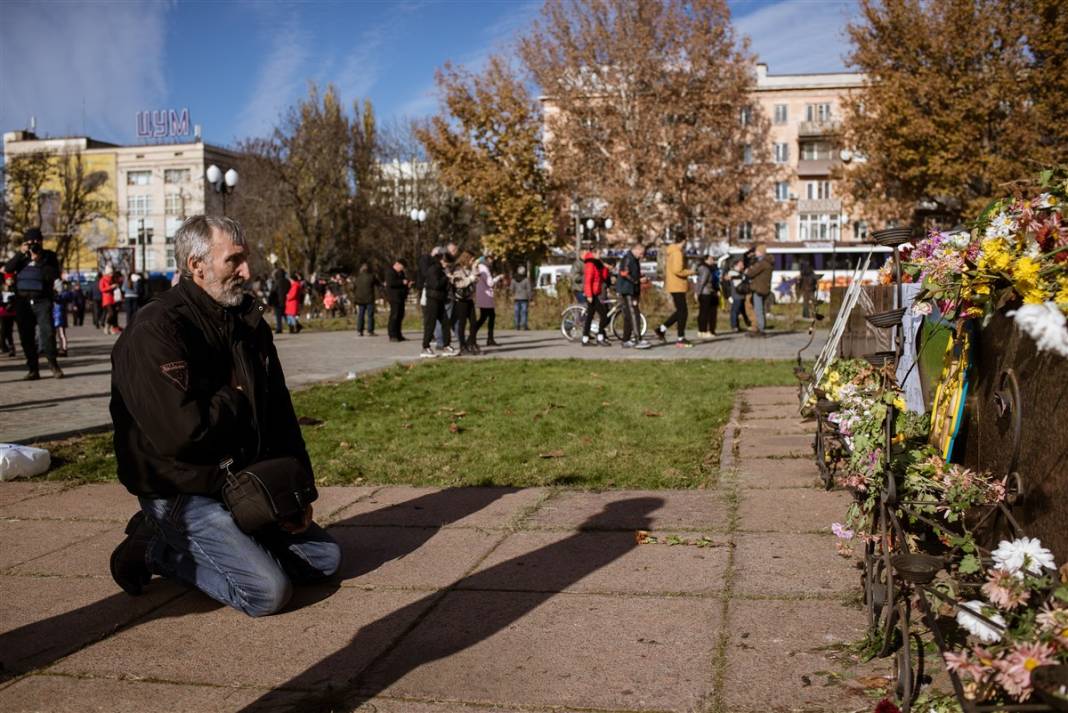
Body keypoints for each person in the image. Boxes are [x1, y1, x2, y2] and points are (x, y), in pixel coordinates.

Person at [107, 215, 340, 617]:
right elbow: (183, 434)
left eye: (245, 259)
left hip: (236, 479)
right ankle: (155, 547)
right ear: (197, 266)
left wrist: (298, 492)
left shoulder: (246, 321)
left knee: (325, 560)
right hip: (179, 485)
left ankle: (228, 543)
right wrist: (235, 396)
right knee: (267, 593)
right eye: (234, 260)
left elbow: (280, 413)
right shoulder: (157, 330)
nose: (247, 271)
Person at [3, 227, 64, 379]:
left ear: (41, 241)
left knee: (48, 333)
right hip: (22, 302)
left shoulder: (49, 256)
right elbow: (7, 269)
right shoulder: (21, 258)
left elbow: (54, 274)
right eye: (30, 241)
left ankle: (53, 364)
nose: (34, 244)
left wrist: (39, 261)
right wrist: (20, 253)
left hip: (42, 301)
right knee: (26, 336)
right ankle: (33, 369)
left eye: (36, 240)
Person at [654, 233, 695, 348]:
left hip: (674, 285)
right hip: (677, 285)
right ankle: (680, 339)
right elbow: (678, 270)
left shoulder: (671, 251)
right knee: (683, 312)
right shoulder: (677, 253)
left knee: (681, 311)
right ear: (684, 240)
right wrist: (691, 271)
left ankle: (661, 329)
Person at [421, 249, 456, 358]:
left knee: (446, 323)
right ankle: (425, 347)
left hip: (440, 299)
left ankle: (446, 345)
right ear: (442, 260)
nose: (447, 266)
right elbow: (436, 284)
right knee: (430, 324)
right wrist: (446, 278)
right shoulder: (433, 269)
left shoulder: (440, 270)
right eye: (447, 263)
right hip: (432, 300)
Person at [616, 242, 651, 349]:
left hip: (633, 290)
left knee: (628, 316)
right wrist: (637, 280)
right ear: (636, 249)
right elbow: (624, 273)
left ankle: (626, 339)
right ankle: (637, 339)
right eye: (641, 253)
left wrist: (641, 276)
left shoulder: (634, 259)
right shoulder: (628, 258)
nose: (642, 256)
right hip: (627, 290)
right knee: (634, 314)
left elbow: (633, 272)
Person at [449, 251, 480, 355]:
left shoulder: (469, 268)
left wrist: (475, 269)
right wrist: (470, 279)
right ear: (467, 258)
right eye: (472, 259)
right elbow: (459, 284)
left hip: (469, 298)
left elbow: (477, 279)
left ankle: (472, 342)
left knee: (474, 323)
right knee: (462, 324)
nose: (473, 261)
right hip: (460, 300)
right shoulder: (457, 269)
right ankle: (462, 346)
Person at [580, 248, 611, 347]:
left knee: (590, 316)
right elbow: (588, 281)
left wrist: (605, 267)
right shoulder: (590, 264)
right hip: (591, 294)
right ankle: (600, 337)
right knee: (603, 316)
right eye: (599, 253)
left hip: (595, 292)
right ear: (593, 253)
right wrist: (589, 295)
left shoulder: (597, 263)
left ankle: (585, 339)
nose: (600, 255)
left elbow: (603, 277)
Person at [473, 255, 503, 347]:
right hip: (486, 297)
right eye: (490, 259)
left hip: (482, 296)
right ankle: (474, 336)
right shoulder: (485, 269)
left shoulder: (479, 268)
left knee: (487, 317)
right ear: (486, 260)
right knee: (485, 317)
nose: (492, 262)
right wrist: (499, 277)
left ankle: (488, 338)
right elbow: (490, 283)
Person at [745, 243, 774, 336]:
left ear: (761, 252)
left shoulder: (762, 263)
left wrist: (748, 270)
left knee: (758, 309)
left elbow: (750, 273)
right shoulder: (768, 262)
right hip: (764, 288)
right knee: (760, 308)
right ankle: (760, 326)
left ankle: (760, 328)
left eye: (757, 251)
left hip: (759, 288)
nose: (755, 253)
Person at [695, 254, 720, 340]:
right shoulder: (705, 268)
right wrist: (697, 293)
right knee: (704, 313)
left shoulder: (710, 268)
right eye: (711, 259)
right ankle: (703, 330)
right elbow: (702, 282)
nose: (712, 260)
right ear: (706, 260)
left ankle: (704, 330)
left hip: (708, 292)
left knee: (706, 312)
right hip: (705, 293)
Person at [353, 263, 381, 337]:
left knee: (360, 315)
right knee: (370, 315)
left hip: (360, 299)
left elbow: (353, 287)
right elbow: (378, 283)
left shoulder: (357, 278)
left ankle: (360, 331)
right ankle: (370, 331)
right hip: (369, 299)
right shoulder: (371, 276)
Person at [385, 259, 410, 342]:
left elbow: (403, 282)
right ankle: (392, 335)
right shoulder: (390, 272)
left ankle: (399, 334)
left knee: (400, 315)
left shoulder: (401, 273)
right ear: (397, 264)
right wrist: (402, 282)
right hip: (393, 297)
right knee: (394, 316)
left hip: (401, 297)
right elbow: (391, 283)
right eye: (401, 267)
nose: (402, 269)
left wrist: (407, 285)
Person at [53, 280, 75, 357]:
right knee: (59, 334)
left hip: (59, 317)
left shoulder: (61, 295)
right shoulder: (62, 295)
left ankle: (63, 348)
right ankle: (61, 348)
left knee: (61, 334)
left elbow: (59, 299)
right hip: (57, 316)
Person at [269, 267, 290, 334]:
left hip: (278, 302)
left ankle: (279, 328)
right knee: (286, 315)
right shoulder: (287, 281)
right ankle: (291, 326)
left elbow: (273, 292)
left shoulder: (276, 282)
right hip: (286, 301)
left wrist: (270, 302)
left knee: (278, 316)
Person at [511, 266, 532, 331]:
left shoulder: (513, 280)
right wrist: (530, 298)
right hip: (524, 298)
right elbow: (529, 290)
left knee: (517, 312)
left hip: (516, 298)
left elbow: (511, 289)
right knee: (524, 312)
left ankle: (517, 326)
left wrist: (512, 295)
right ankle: (524, 325)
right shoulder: (526, 280)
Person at [1, 275, 16, 357]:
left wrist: (11, 303)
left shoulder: (14, 289)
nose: (10, 281)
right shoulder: (2, 289)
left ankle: (11, 348)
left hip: (11, 314)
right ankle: (3, 346)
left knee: (9, 332)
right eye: (8, 280)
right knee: (3, 331)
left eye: (11, 280)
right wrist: (4, 304)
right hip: (2, 313)